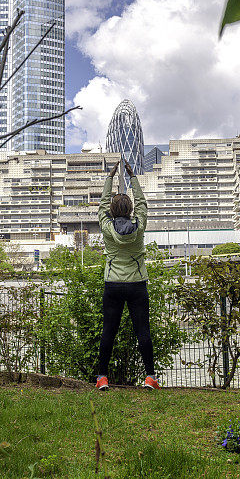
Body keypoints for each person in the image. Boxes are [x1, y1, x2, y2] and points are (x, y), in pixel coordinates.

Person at [96, 159, 160, 391]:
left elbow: (102, 205)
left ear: (112, 211)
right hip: (137, 284)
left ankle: (102, 378)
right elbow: (143, 204)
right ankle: (150, 377)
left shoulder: (105, 226)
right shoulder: (139, 224)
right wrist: (133, 178)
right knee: (143, 331)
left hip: (112, 283)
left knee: (108, 331)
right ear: (131, 210)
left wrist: (109, 178)